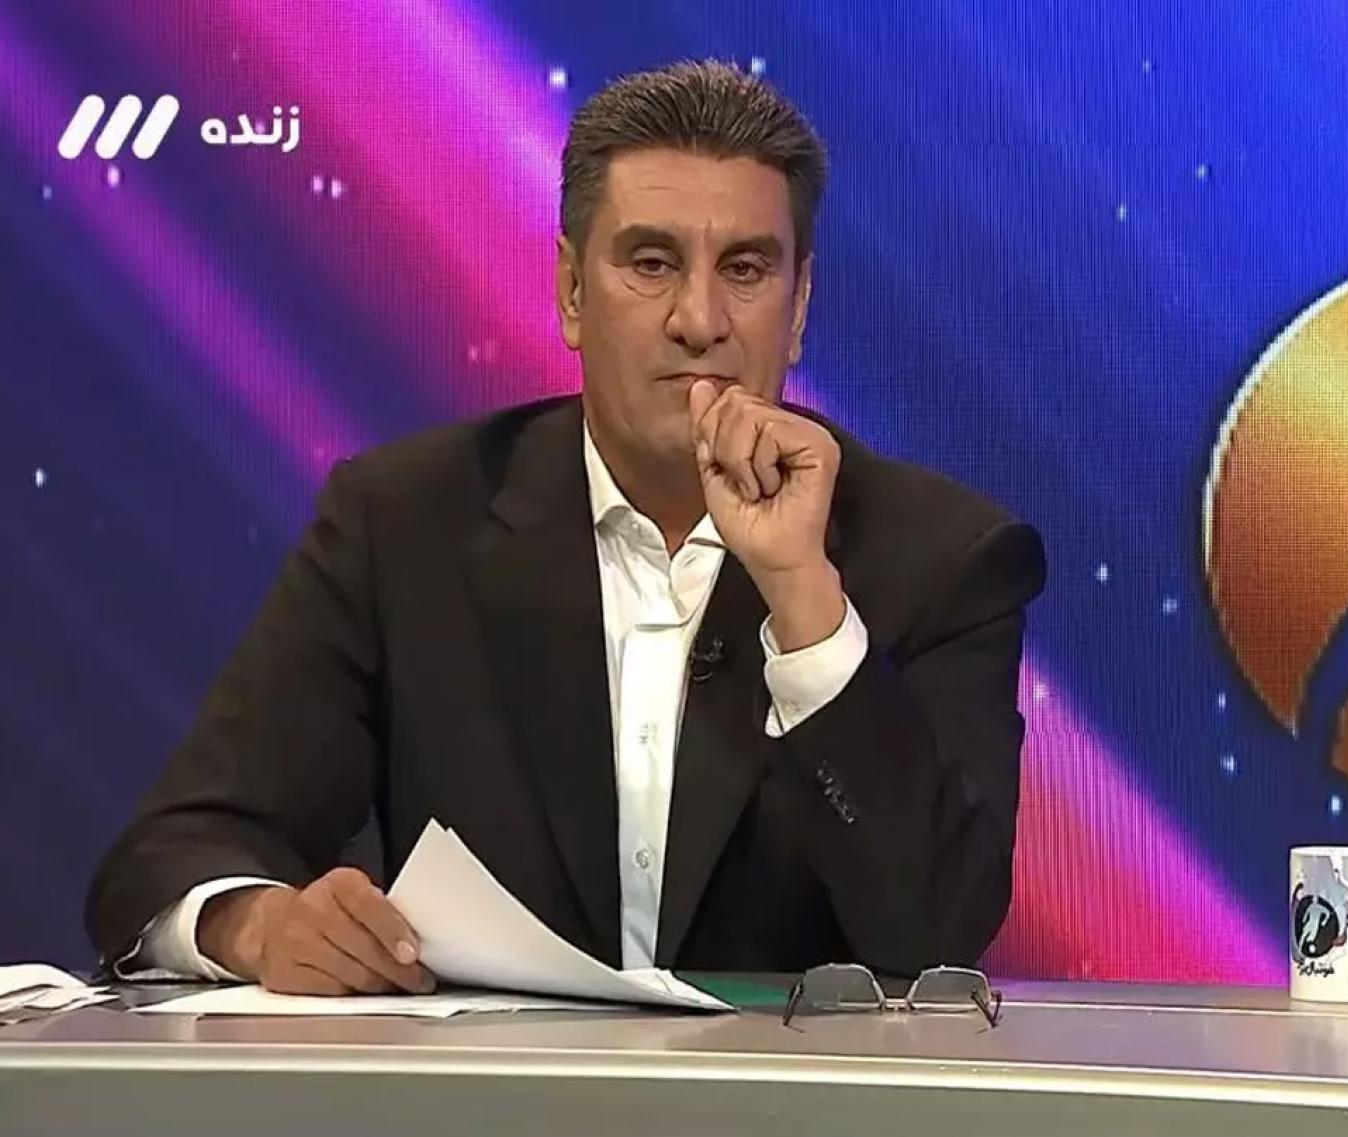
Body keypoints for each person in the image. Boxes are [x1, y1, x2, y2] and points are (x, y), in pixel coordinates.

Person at [86, 59, 1046, 995]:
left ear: (797, 309)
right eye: (652, 263)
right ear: (572, 292)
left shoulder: (942, 559)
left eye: (746, 269)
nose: (699, 318)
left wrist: (802, 595)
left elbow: (937, 932)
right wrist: (259, 924)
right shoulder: (406, 521)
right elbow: (173, 849)